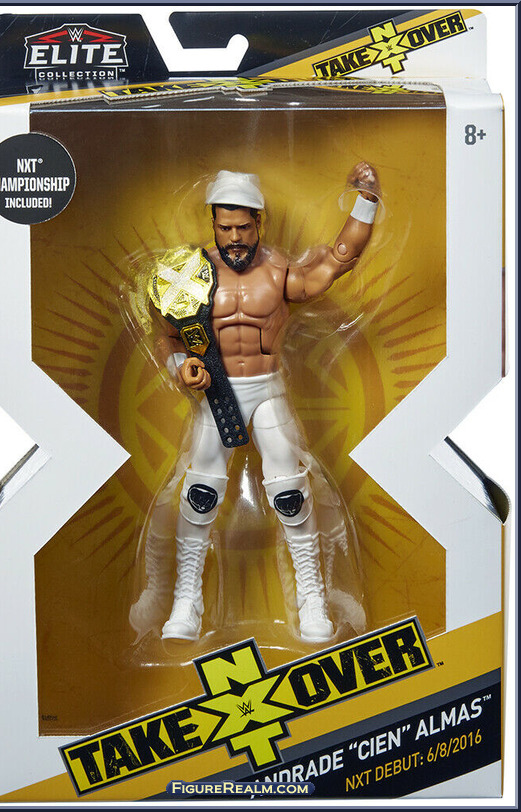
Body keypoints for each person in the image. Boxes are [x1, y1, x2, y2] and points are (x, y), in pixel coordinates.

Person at [144, 166, 380, 643]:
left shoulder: (278, 271)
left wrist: (366, 199)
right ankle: (187, 602)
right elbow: (167, 335)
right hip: (217, 393)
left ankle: (311, 599)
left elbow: (340, 258)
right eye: (225, 227)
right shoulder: (190, 274)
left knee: (291, 493)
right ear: (213, 224)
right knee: (199, 492)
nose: (234, 238)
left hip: (267, 388)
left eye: (243, 227)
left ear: (258, 222)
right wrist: (180, 368)